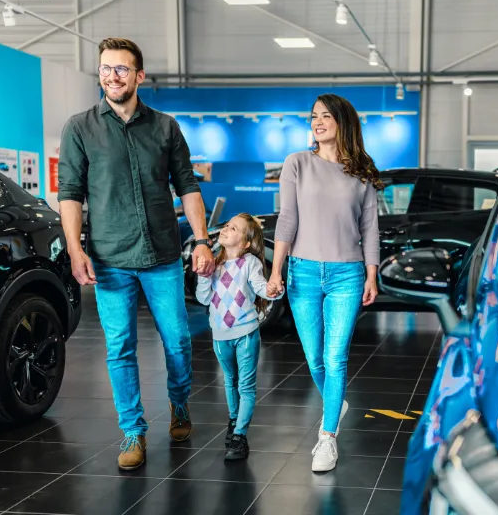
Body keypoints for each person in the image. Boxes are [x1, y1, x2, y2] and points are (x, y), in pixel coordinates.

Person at [57, 37, 215, 471]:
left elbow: (187, 186)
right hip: (109, 258)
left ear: (139, 75)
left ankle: (179, 404)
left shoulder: (166, 127)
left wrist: (201, 240)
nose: (112, 76)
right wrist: (75, 248)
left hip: (162, 254)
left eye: (122, 69)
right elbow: (69, 193)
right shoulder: (80, 127)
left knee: (180, 342)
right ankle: (133, 430)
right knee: (120, 347)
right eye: (106, 69)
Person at [267, 94, 382, 472]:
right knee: (314, 357)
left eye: (326, 116)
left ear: (343, 122)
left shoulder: (362, 171)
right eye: (313, 116)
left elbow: (369, 227)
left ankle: (327, 438)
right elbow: (287, 219)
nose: (317, 122)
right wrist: (275, 270)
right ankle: (336, 399)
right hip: (302, 272)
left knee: (335, 358)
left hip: (347, 275)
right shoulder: (297, 163)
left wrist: (371, 273)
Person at [195, 213, 283, 461]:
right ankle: (234, 421)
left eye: (233, 229)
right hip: (220, 335)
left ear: (245, 243)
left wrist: (273, 290)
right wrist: (203, 277)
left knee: (246, 385)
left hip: (246, 333)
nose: (225, 229)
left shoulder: (249, 263)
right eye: (226, 226)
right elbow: (203, 298)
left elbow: (260, 287)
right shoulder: (214, 264)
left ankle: (240, 435)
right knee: (229, 381)